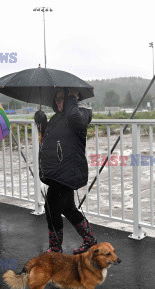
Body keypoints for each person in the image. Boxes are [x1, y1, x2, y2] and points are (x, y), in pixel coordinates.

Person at [34, 88, 96, 255]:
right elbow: (50, 136)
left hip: (69, 169)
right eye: (56, 99)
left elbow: (75, 120)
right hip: (58, 169)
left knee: (51, 205)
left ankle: (55, 248)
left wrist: (72, 99)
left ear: (73, 98)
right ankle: (90, 241)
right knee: (68, 208)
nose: (57, 102)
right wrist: (42, 122)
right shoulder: (58, 117)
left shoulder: (82, 113)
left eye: (61, 98)